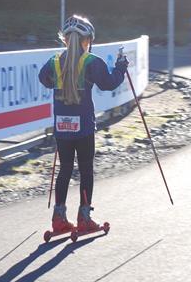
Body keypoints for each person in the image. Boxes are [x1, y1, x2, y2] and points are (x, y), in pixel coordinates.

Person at [38, 15, 129, 233]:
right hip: (84, 125)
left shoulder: (53, 62)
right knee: (86, 170)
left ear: (65, 40)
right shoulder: (91, 61)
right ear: (86, 40)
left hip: (61, 126)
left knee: (65, 169)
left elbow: (44, 79)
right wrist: (120, 67)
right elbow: (109, 84)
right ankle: (84, 217)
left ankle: (59, 218)